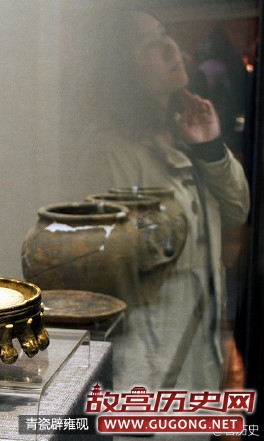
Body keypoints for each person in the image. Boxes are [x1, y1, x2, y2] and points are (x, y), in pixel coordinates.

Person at [77, 8, 250, 401]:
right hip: (147, 370)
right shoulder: (111, 152)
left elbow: (237, 210)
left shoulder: (183, 130)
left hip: (197, 355)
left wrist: (210, 148)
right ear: (123, 67)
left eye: (165, 34)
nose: (171, 48)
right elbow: (118, 266)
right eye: (149, 44)